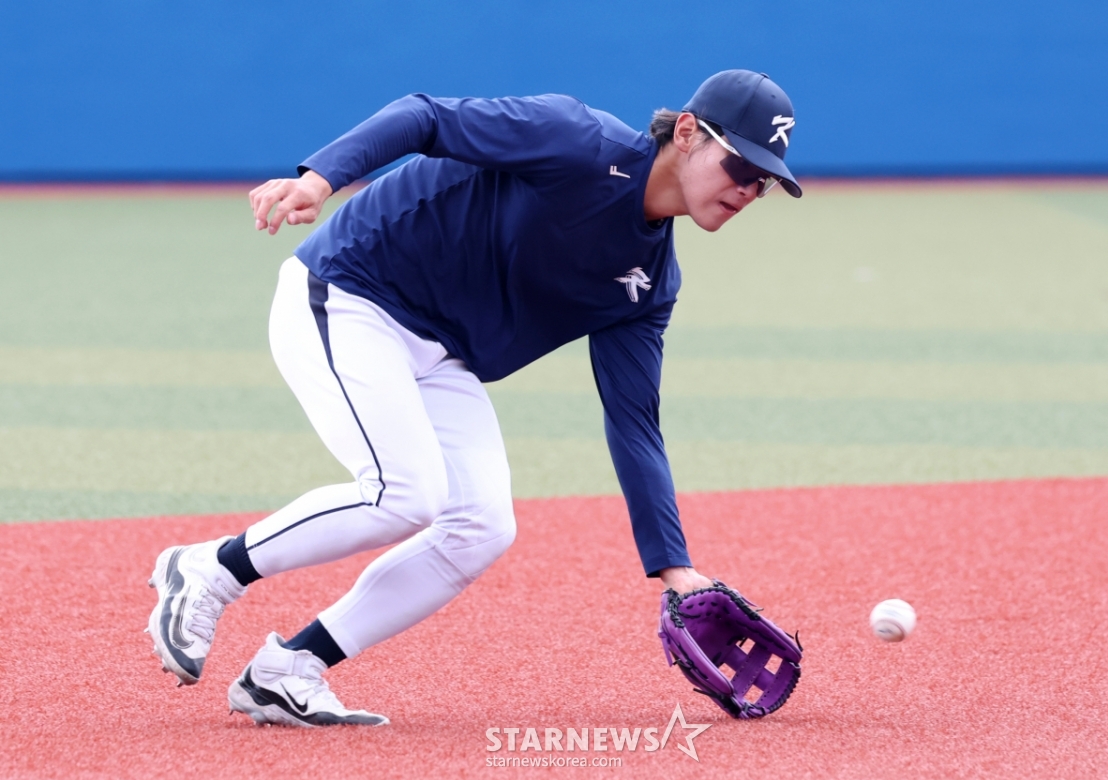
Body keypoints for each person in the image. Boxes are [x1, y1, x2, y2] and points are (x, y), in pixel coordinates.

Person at [147, 69, 801, 727]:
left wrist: (675, 567)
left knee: (482, 527)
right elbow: (424, 115)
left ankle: (290, 669)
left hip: (440, 353)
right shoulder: (576, 139)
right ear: (686, 132)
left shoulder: (651, 283)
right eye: (740, 164)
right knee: (405, 493)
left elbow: (634, 423)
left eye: (765, 180)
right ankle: (209, 569)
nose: (748, 189)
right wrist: (321, 178)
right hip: (350, 290)